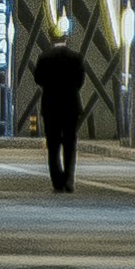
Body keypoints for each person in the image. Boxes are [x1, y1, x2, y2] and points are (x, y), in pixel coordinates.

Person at [29, 33, 93, 194]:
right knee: (70, 144)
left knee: (53, 145)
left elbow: (38, 79)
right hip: (71, 105)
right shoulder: (75, 57)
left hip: (51, 105)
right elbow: (80, 80)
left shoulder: (44, 57)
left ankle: (57, 181)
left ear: (51, 40)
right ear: (66, 40)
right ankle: (69, 180)